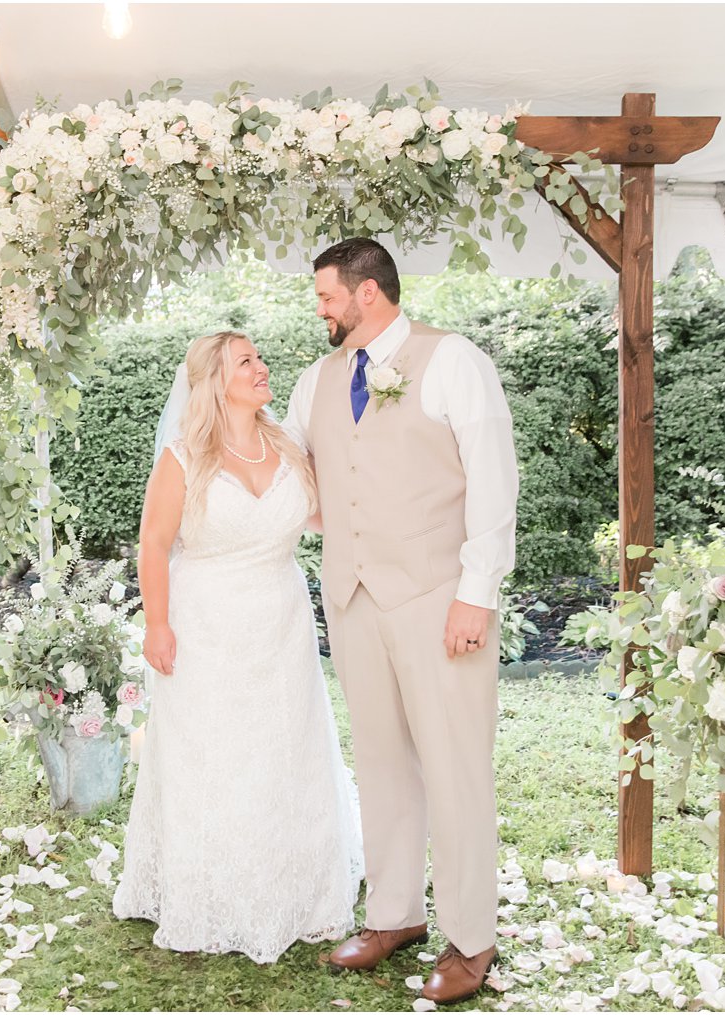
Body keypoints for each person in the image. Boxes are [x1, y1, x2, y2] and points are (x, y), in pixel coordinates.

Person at [283, 237, 519, 1004]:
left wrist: (476, 593)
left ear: (367, 293)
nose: (318, 309)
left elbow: (493, 476)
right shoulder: (314, 378)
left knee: (453, 768)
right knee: (381, 762)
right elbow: (302, 471)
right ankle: (393, 914)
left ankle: (471, 937)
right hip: (352, 598)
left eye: (326, 296)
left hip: (437, 597)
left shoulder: (453, 360)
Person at [112, 330, 363, 964]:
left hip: (281, 625)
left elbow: (331, 515)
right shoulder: (183, 457)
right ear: (214, 381)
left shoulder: (289, 447)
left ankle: (293, 884)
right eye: (245, 361)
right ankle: (209, 889)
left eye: (258, 358)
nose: (260, 367)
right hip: (206, 626)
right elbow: (153, 544)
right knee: (212, 754)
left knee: (284, 747)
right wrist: (157, 625)